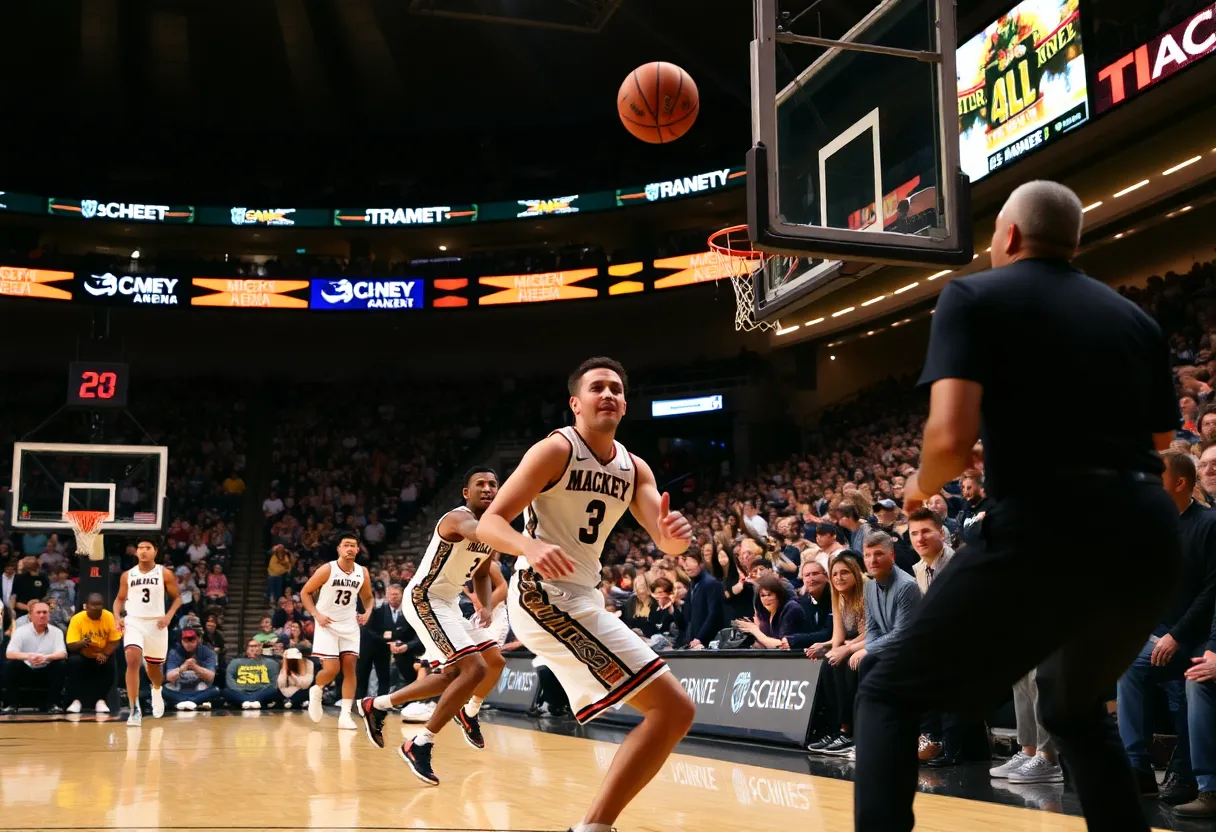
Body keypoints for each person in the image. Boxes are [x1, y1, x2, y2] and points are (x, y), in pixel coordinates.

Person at [853, 180, 1183, 832]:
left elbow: (947, 439)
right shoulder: (1135, 320)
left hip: (1051, 523)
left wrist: (923, 485)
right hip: (1146, 531)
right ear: (1076, 241)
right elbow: (1159, 442)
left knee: (888, 689)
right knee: (1073, 707)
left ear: (1007, 236)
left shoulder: (974, 294)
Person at [478, 357, 696, 832]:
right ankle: (594, 826)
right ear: (576, 403)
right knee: (673, 707)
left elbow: (665, 540)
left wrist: (677, 537)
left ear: (625, 404)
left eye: (617, 389)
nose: (609, 395)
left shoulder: (634, 468)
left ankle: (595, 826)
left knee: (673, 712)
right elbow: (491, 522)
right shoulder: (555, 449)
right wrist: (528, 546)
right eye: (598, 387)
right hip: (540, 593)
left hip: (581, 595)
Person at [359, 468, 509, 782]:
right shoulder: (458, 518)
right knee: (475, 669)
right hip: (424, 598)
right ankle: (420, 744)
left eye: (493, 484)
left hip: (449, 602)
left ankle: (378, 704)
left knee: (485, 663)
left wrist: (486, 606)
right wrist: (530, 541)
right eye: (479, 484)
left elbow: (481, 574)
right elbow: (478, 533)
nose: (487, 488)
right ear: (467, 493)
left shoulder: (492, 530)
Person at [1119, 450, 1216, 804]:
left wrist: (1176, 635)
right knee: (1127, 663)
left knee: (1194, 678)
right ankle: (1139, 769)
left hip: (1201, 637)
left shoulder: (1209, 523)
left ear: (1179, 483)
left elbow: (1211, 592)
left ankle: (1190, 774)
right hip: (1164, 633)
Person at [300, 532, 373, 730]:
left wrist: (367, 612)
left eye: (353, 545)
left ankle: (345, 716)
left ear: (358, 550)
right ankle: (317, 689)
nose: (350, 548)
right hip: (327, 624)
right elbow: (305, 592)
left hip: (350, 625)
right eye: (346, 545)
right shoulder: (327, 569)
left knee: (350, 669)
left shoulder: (362, 572)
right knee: (332, 669)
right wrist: (316, 614)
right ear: (339, 549)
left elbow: (368, 597)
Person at [114, 536, 181, 726]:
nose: (143, 550)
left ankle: (157, 689)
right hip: (134, 621)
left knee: (153, 669)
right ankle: (134, 709)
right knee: (132, 660)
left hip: (156, 624)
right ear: (136, 552)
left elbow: (177, 599)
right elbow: (119, 599)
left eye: (148, 547)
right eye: (140, 547)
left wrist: (168, 616)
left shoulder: (165, 573)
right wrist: (116, 617)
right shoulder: (128, 575)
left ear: (155, 551)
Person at [806, 554, 867, 755]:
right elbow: (838, 636)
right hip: (852, 644)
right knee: (828, 663)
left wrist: (845, 648)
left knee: (847, 664)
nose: (839, 578)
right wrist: (827, 646)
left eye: (844, 572)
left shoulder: (865, 592)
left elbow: (870, 632)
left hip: (867, 643)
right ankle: (836, 728)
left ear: (856, 574)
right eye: (835, 574)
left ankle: (848, 731)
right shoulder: (837, 595)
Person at [355, 583, 421, 701]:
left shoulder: (409, 612)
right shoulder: (377, 611)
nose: (393, 597)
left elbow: (410, 632)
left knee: (384, 676)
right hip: (373, 647)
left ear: (402, 595)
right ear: (386, 596)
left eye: (396, 594)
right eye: (391, 594)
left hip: (398, 649)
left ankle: (382, 703)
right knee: (362, 674)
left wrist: (400, 643)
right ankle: (359, 702)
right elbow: (368, 630)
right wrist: (386, 640)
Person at [2, 600, 67, 713]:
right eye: (38, 612)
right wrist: (28, 656)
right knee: (10, 664)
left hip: (46, 671)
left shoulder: (57, 632)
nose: (42, 615)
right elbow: (10, 653)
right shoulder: (21, 631)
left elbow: (63, 653)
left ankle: (53, 704)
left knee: (61, 664)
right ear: (31, 616)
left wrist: (46, 658)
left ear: (49, 615)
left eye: (45, 612)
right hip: (26, 670)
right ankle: (12, 704)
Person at [65, 592, 121, 714]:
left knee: (110, 664)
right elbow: (71, 645)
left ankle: (101, 700)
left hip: (103, 653)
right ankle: (76, 701)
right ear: (86, 606)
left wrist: (105, 654)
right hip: (84, 653)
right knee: (74, 662)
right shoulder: (77, 619)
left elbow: (115, 640)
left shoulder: (109, 616)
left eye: (99, 604)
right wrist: (84, 642)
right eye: (93, 605)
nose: (96, 607)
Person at [735, 573, 807, 649]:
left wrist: (755, 631)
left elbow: (783, 645)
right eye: (762, 595)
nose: (766, 598)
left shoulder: (792, 609)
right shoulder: (765, 612)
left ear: (779, 594)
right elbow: (767, 646)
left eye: (769, 594)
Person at [162, 628, 219, 710]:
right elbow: (169, 677)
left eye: (192, 640)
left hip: (198, 688)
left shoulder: (207, 652)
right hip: (178, 688)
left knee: (215, 690)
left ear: (198, 640)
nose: (188, 644)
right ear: (181, 641)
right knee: (160, 690)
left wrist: (195, 667)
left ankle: (182, 702)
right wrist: (183, 667)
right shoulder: (174, 652)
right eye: (185, 641)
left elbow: (211, 677)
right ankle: (193, 701)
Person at [678, 551, 723, 649]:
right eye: (685, 563)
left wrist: (700, 638)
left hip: (707, 640)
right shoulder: (693, 584)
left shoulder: (710, 583)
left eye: (691, 562)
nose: (687, 566)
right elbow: (688, 617)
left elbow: (714, 614)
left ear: (701, 564)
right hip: (693, 639)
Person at [223, 639, 281, 709]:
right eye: (252, 646)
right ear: (246, 649)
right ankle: (252, 701)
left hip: (262, 691)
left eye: (258, 646)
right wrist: (239, 690)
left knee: (274, 689)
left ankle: (246, 701)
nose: (256, 648)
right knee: (226, 691)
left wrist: (261, 691)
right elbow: (230, 679)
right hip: (240, 691)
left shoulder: (271, 663)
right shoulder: (235, 662)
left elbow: (274, 682)